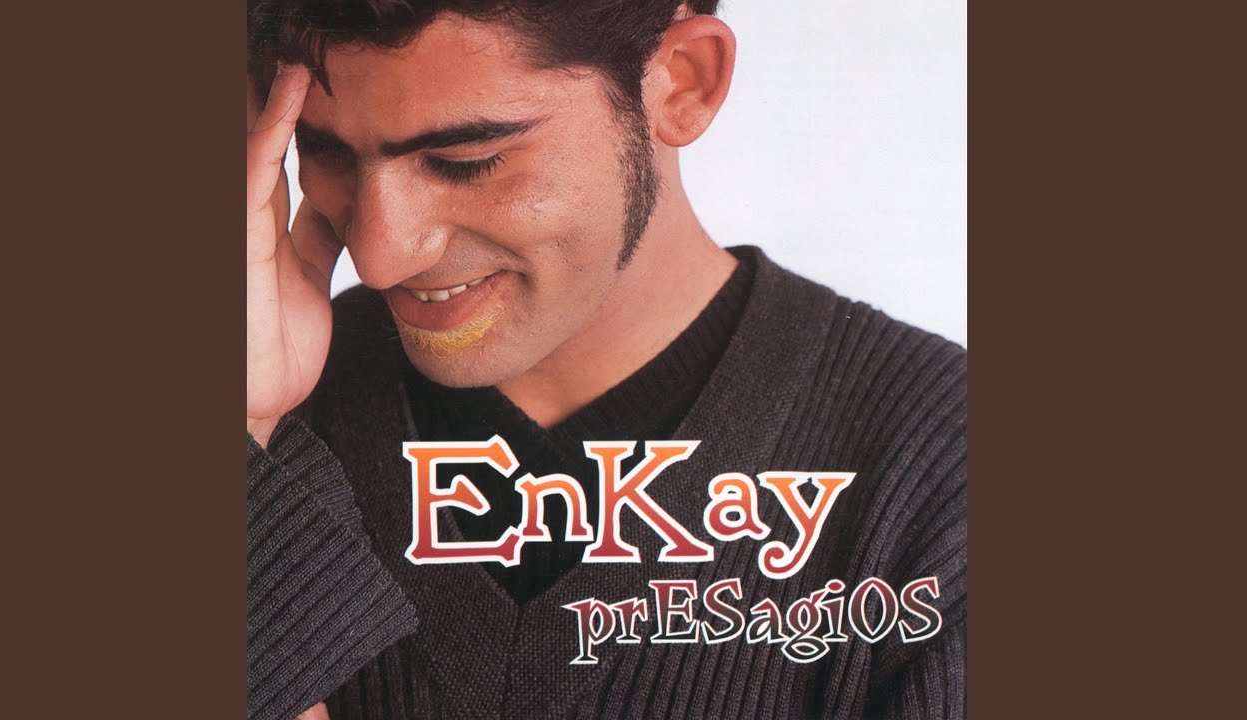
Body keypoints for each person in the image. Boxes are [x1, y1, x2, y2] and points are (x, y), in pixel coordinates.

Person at [246, 2, 966, 719]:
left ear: (683, 81)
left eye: (467, 161)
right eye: (325, 153)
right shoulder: (262, 413)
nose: (377, 256)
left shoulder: (944, 472)